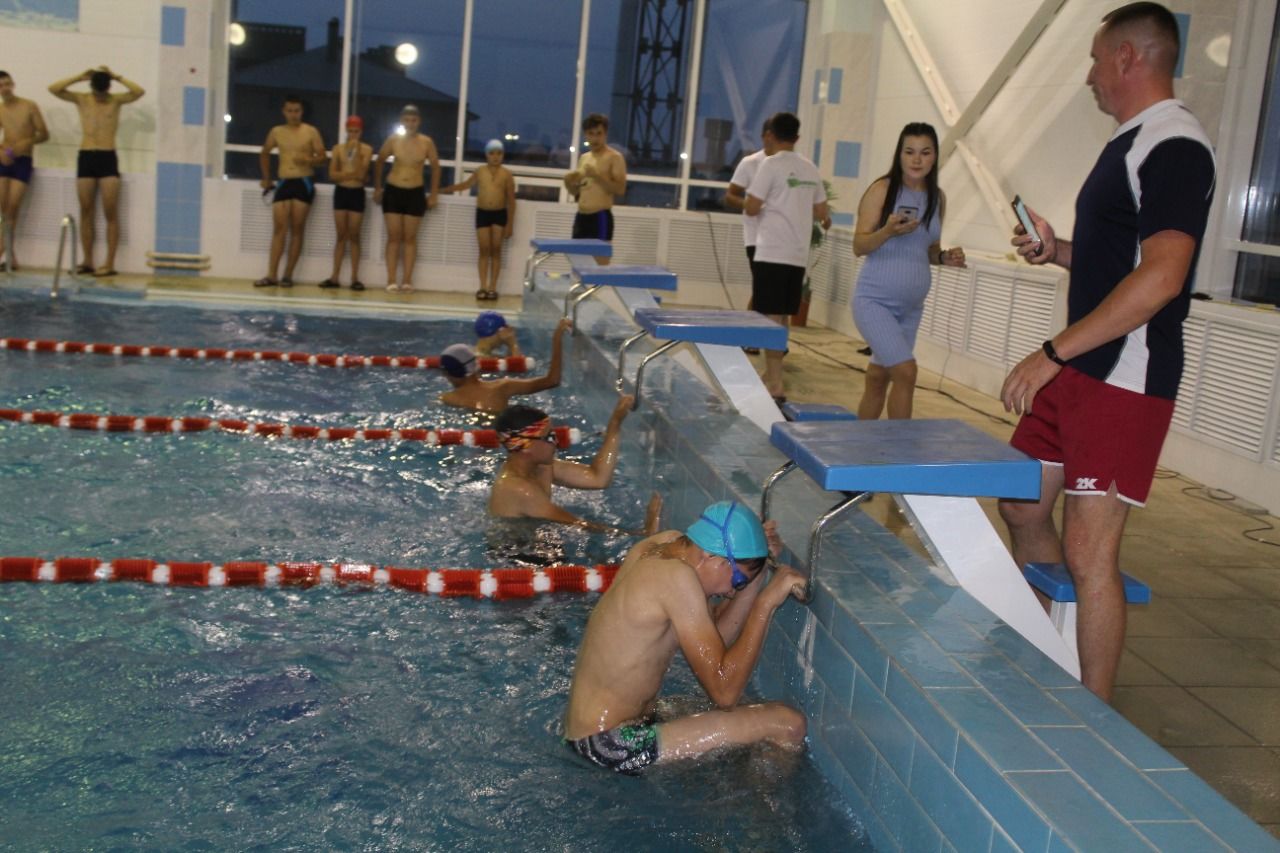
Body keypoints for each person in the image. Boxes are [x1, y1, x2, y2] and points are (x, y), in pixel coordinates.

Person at [998, 2, 1215, 703]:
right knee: (1022, 505)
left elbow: (1162, 277)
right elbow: (1125, 262)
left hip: (1124, 377)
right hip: (1084, 368)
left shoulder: (1174, 144)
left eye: (1096, 60)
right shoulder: (1131, 141)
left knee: (1093, 551)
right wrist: (1059, 250)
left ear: (1127, 58)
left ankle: (1092, 716)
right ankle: (1041, 656)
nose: (1090, 76)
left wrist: (1052, 352)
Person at [563, 500, 808, 774]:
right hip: (610, 743)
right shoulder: (677, 579)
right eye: (737, 581)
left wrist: (757, 567)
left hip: (596, 730)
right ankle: (763, 815)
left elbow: (715, 637)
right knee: (787, 724)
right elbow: (725, 691)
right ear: (711, 557)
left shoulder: (663, 547)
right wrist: (766, 604)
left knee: (751, 712)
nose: (731, 592)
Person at [851, 122, 967, 420]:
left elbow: (928, 249)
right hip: (874, 302)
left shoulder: (936, 198)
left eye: (925, 152)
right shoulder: (882, 190)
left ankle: (860, 449)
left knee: (879, 377)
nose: (917, 160)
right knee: (906, 372)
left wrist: (944, 257)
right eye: (909, 152)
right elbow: (859, 245)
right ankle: (898, 456)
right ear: (899, 155)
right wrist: (887, 231)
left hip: (910, 308)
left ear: (934, 157)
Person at [743, 112, 831, 402]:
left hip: (771, 250)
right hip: (797, 254)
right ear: (797, 137)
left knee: (770, 316)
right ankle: (771, 375)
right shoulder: (809, 167)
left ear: (771, 134)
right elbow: (822, 213)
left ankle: (776, 383)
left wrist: (763, 204)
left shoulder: (770, 164)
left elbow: (752, 207)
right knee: (781, 317)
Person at [489, 396, 661, 534]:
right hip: (513, 555)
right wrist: (643, 533)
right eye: (548, 437)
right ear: (525, 448)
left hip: (537, 539)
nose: (556, 441)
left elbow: (598, 478)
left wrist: (614, 425)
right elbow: (580, 525)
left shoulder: (540, 466)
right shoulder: (519, 489)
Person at [48, 65, 144, 277]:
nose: (100, 96)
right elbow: (53, 89)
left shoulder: (116, 100)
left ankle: (109, 263)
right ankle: (88, 261)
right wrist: (79, 76)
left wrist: (117, 75)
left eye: (103, 92)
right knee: (86, 211)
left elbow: (139, 92)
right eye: (97, 92)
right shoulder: (83, 99)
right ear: (92, 88)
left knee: (110, 212)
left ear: (108, 88)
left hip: (108, 157)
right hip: (86, 156)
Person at [254, 95, 325, 288]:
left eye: (297, 111)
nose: (293, 115)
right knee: (279, 230)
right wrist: (266, 178)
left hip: (303, 182)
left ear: (302, 112)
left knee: (297, 229)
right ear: (284, 111)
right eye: (290, 111)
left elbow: (322, 156)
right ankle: (271, 275)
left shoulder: (310, 131)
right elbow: (265, 153)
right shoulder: (277, 131)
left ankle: (288, 275)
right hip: (284, 181)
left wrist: (308, 161)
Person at [374, 104, 440, 293]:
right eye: (407, 120)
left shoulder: (426, 142)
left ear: (419, 122)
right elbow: (379, 162)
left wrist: (434, 194)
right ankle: (391, 280)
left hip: (415, 192)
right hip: (393, 191)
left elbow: (436, 167)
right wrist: (378, 188)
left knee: (410, 238)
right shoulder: (394, 139)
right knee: (394, 237)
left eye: (414, 120)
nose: (410, 124)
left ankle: (408, 280)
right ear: (402, 121)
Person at [724, 119, 777, 352]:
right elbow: (730, 195)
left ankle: (764, 337)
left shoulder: (789, 165)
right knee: (763, 288)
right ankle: (749, 334)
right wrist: (751, 204)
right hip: (756, 235)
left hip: (782, 238)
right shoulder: (750, 163)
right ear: (766, 136)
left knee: (770, 291)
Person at [440, 317, 569, 412]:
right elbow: (552, 380)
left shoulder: (449, 399)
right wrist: (556, 338)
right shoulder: (501, 388)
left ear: (448, 374)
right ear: (475, 365)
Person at [441, 138, 516, 300]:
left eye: (499, 153)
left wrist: (510, 224)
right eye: (492, 153)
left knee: (496, 250)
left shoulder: (507, 174)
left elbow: (511, 201)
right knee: (484, 250)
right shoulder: (480, 171)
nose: (495, 157)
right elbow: (465, 185)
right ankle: (482, 286)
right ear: (486, 155)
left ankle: (492, 288)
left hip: (499, 214)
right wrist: (445, 189)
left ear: (502, 155)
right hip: (483, 213)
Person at [0, 70, 49, 271]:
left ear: (13, 84)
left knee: (13, 207)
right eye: (2, 85)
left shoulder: (29, 106)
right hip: (4, 160)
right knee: (3, 210)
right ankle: (10, 256)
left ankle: (3, 251)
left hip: (23, 160)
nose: (6, 88)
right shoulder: (1, 110)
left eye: (8, 84)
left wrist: (26, 142)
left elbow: (44, 134)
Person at [563, 113, 625, 264]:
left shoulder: (614, 157)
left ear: (605, 134)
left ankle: (598, 288)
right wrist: (569, 184)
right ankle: (579, 288)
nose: (595, 139)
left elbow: (620, 189)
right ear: (586, 135)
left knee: (600, 264)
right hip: (581, 216)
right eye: (591, 134)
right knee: (577, 263)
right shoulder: (584, 158)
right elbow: (578, 192)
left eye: (599, 134)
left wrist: (597, 176)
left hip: (600, 216)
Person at [320, 115, 373, 291]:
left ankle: (355, 278)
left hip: (357, 193)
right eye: (350, 131)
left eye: (356, 132)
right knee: (341, 236)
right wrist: (351, 175)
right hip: (341, 193)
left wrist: (356, 153)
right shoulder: (337, 149)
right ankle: (334, 276)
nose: (353, 135)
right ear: (346, 131)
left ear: (361, 132)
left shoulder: (366, 149)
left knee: (354, 236)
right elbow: (332, 175)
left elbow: (362, 173)